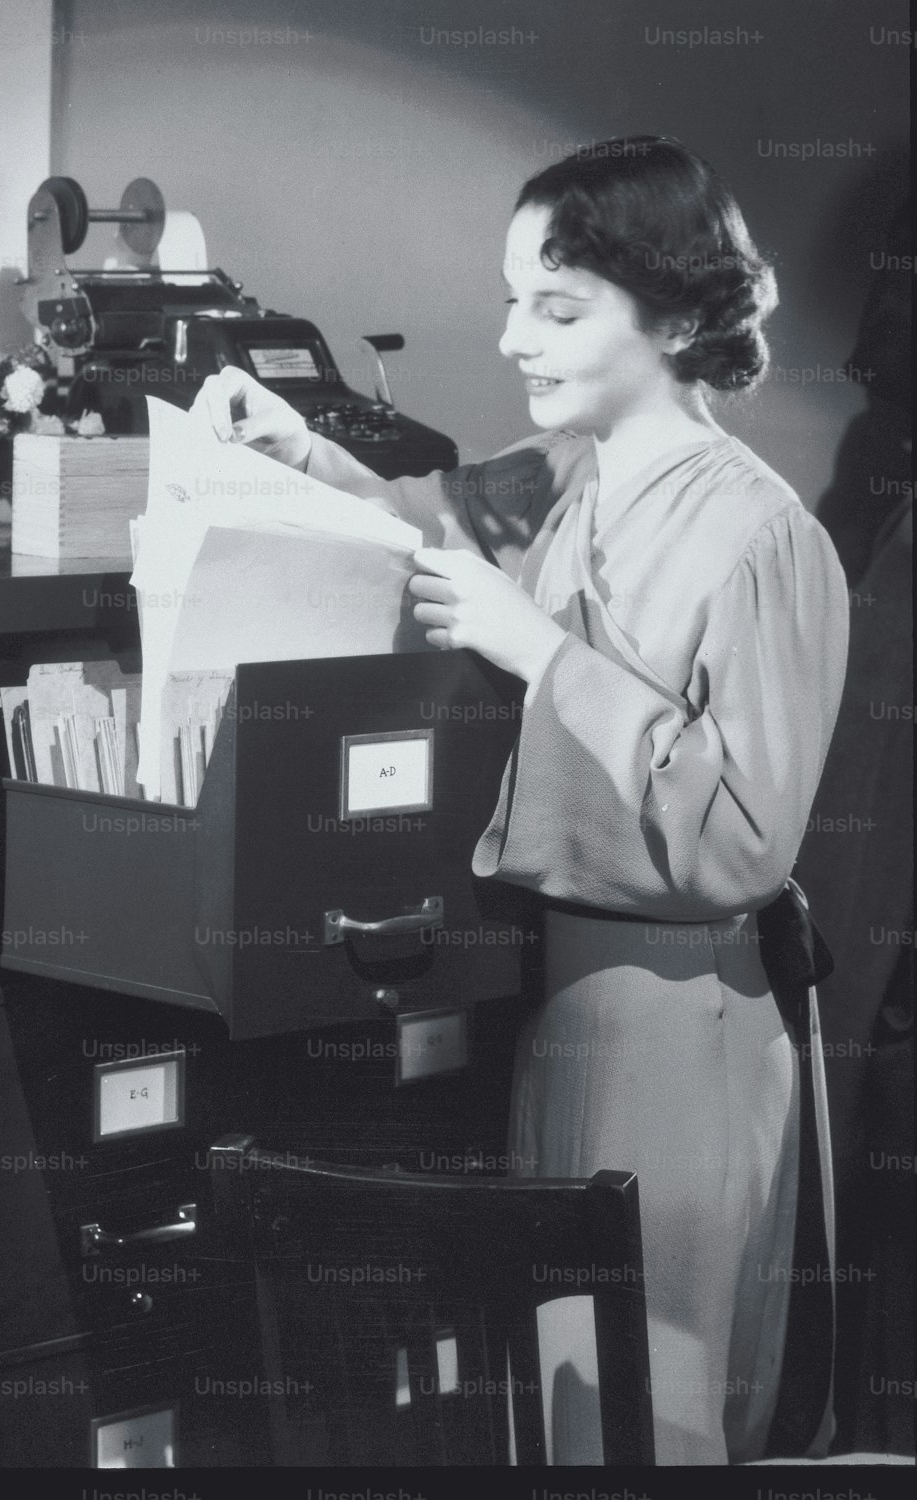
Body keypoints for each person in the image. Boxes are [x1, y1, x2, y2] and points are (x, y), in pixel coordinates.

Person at [192, 136, 849, 1466]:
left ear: (671, 315)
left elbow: (740, 836)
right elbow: (429, 532)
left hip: (686, 1020)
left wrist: (543, 653)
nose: (511, 339)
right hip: (557, 1002)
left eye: (556, 308)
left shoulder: (761, 533)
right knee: (567, 1406)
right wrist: (303, 448)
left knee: (656, 1412)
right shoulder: (569, 474)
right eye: (511, 302)